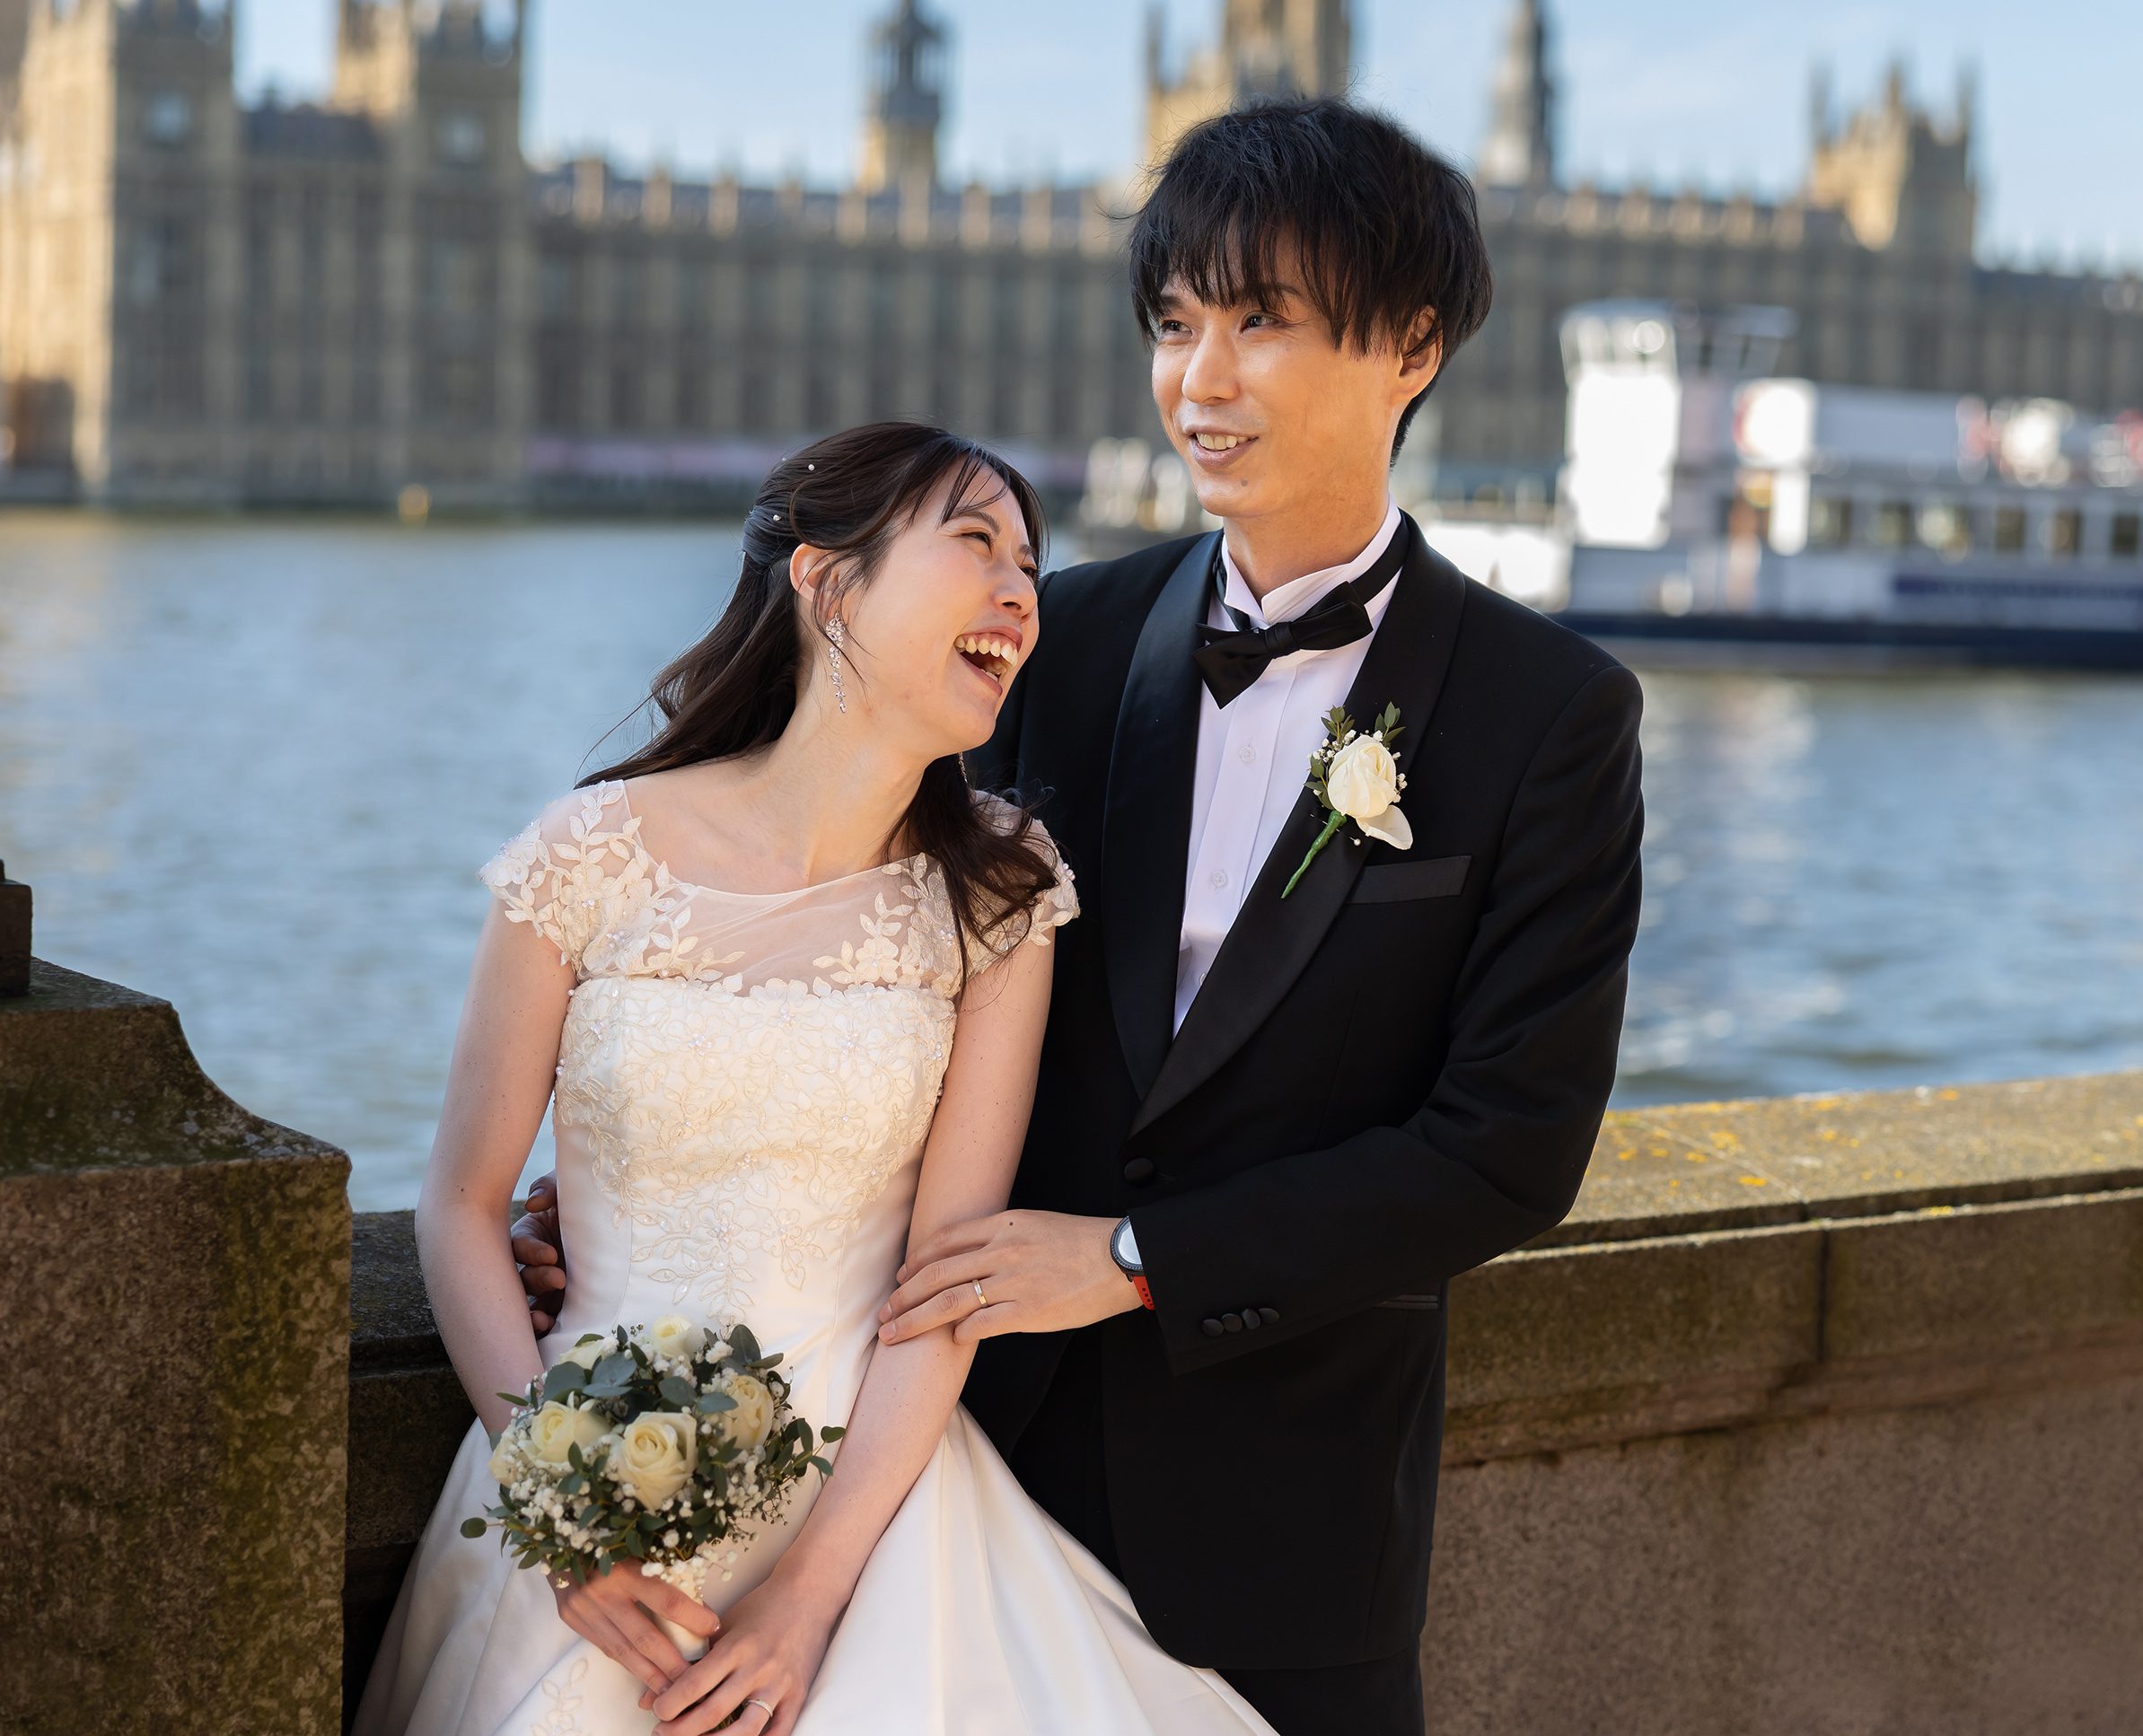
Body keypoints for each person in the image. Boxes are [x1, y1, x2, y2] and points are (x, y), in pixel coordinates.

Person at [514, 96, 1646, 1734]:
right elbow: (857, 930)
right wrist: (636, 1160)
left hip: (1287, 1526)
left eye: (1262, 322)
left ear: (1412, 346)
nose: (1200, 378)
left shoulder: (1551, 713)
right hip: (957, 1473)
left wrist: (1131, 1261)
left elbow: (1509, 1147)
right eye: (1177, 323)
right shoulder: (1056, 638)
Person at [356, 420, 1279, 1736]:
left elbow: (943, 1281)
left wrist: (811, 1601)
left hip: (876, 1503)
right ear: (825, 578)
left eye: (1032, 560)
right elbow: (459, 1203)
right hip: (588, 1482)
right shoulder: (586, 855)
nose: (1022, 589)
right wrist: (558, 1517)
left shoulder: (1002, 893)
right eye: (976, 543)